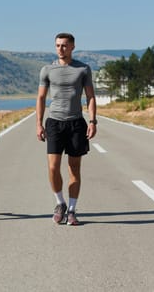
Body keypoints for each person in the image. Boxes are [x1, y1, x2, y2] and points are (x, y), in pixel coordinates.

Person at [36, 33, 97, 225]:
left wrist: (93, 121)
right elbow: (40, 98)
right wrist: (39, 123)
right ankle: (59, 203)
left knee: (74, 169)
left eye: (64, 45)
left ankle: (71, 210)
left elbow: (90, 97)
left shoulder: (83, 69)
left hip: (76, 123)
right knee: (53, 167)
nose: (60, 49)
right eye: (57, 45)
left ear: (72, 47)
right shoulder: (47, 69)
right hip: (54, 122)